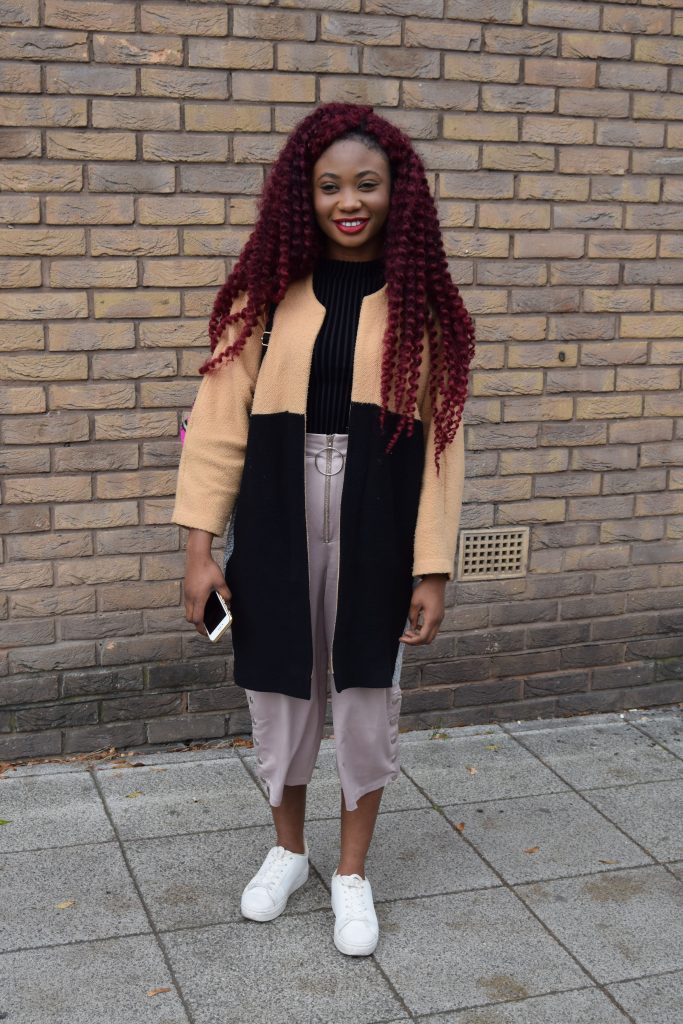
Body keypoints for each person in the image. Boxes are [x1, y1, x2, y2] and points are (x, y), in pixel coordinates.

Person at [172, 102, 475, 957]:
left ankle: (350, 871)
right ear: (301, 195)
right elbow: (216, 424)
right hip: (277, 502)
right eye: (329, 185)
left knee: (368, 692)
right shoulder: (267, 298)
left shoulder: (420, 311)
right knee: (279, 683)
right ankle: (289, 852)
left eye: (366, 184)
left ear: (395, 194)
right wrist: (198, 548)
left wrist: (432, 567)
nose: (348, 201)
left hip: (380, 512)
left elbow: (443, 449)